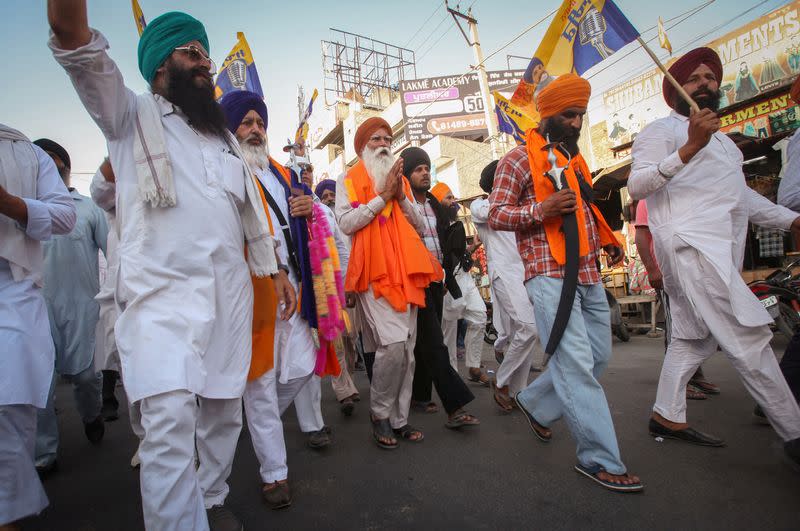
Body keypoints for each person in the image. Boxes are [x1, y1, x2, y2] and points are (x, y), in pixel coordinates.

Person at [48, 5, 290, 529]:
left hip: (230, 298)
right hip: (161, 302)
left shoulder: (224, 140)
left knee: (226, 414)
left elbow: (250, 220)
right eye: (192, 52)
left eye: (207, 51)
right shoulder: (129, 116)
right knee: (169, 424)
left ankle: (210, 498)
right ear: (161, 64)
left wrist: (275, 272)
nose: (206, 62)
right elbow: (74, 41)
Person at [628, 47, 800, 466]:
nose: (704, 84)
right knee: (750, 336)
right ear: (676, 90)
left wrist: (791, 222)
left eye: (710, 78)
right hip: (690, 248)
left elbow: (740, 199)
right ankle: (795, 433)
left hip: (720, 251)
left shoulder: (725, 145)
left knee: (694, 338)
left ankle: (667, 415)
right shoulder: (662, 132)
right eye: (694, 79)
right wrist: (688, 148)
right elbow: (637, 186)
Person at [489, 73, 643, 492]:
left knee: (598, 357)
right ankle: (599, 459)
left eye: (580, 115)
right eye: (569, 115)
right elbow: (496, 213)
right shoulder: (518, 159)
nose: (576, 123)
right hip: (549, 276)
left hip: (588, 272)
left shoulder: (574, 161)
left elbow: (585, 210)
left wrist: (608, 240)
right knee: (576, 366)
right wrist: (542, 208)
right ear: (548, 114)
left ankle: (536, 404)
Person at [221, 90, 346, 507]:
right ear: (231, 128)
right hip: (248, 289)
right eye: (247, 122)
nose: (256, 130)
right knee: (258, 382)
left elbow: (306, 226)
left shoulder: (281, 173)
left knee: (301, 367)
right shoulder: (224, 168)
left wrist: (309, 208)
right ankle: (274, 473)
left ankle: (257, 423)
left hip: (294, 288)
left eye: (260, 123)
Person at [335, 117, 443, 449]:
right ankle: (379, 413)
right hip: (372, 274)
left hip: (407, 271)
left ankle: (399, 419)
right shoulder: (348, 179)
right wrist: (381, 198)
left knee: (407, 351)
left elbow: (419, 227)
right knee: (393, 345)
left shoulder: (401, 181)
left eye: (387, 138)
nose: (384, 144)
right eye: (376, 139)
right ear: (363, 147)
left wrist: (399, 197)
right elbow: (346, 223)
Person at [0, 125, 76, 529]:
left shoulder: (24, 154)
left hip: (14, 293)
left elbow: (65, 215)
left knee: (11, 405)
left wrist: (10, 204)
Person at [32, 138, 108, 475]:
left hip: (82, 309)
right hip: (35, 311)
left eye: (54, 159)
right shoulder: (20, 208)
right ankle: (44, 455)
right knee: (40, 386)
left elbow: (114, 252)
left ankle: (92, 416)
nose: (49, 165)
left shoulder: (88, 208)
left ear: (64, 165)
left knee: (86, 377)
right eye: (40, 159)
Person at [401, 146, 480, 429]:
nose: (424, 173)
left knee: (425, 341)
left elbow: (445, 244)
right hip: (414, 281)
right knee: (435, 343)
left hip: (437, 281)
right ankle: (454, 406)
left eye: (426, 168)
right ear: (406, 175)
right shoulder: (401, 205)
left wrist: (446, 277)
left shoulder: (435, 205)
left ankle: (421, 396)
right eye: (417, 169)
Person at [633, 199, 720, 401]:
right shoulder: (648, 200)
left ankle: (695, 375)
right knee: (676, 330)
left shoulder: (679, 194)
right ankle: (681, 382)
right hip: (667, 275)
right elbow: (641, 237)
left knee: (696, 325)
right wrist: (652, 269)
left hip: (691, 272)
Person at [472, 160, 541, 411]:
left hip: (526, 274)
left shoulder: (520, 204)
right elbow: (489, 212)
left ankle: (518, 391)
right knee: (528, 328)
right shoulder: (480, 205)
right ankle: (502, 383)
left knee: (522, 336)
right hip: (504, 275)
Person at [433, 182, 489, 386]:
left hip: (464, 280)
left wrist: (472, 247)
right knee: (448, 331)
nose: (453, 201)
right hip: (447, 282)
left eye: (453, 196)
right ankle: (452, 376)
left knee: (479, 316)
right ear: (439, 203)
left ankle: (473, 366)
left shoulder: (455, 226)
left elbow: (458, 255)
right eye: (448, 198)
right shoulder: (435, 228)